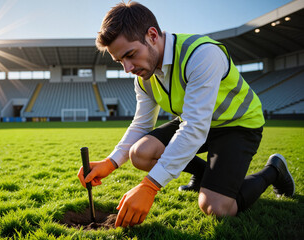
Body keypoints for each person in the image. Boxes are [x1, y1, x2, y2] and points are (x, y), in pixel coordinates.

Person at [77, 1, 295, 228]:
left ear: (152, 35)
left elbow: (194, 128)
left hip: (237, 124)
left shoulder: (202, 54)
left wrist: (150, 187)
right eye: (120, 60)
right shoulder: (144, 77)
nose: (127, 68)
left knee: (216, 208)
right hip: (198, 123)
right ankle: (205, 176)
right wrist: (110, 163)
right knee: (140, 154)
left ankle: (274, 170)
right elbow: (142, 124)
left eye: (130, 54)